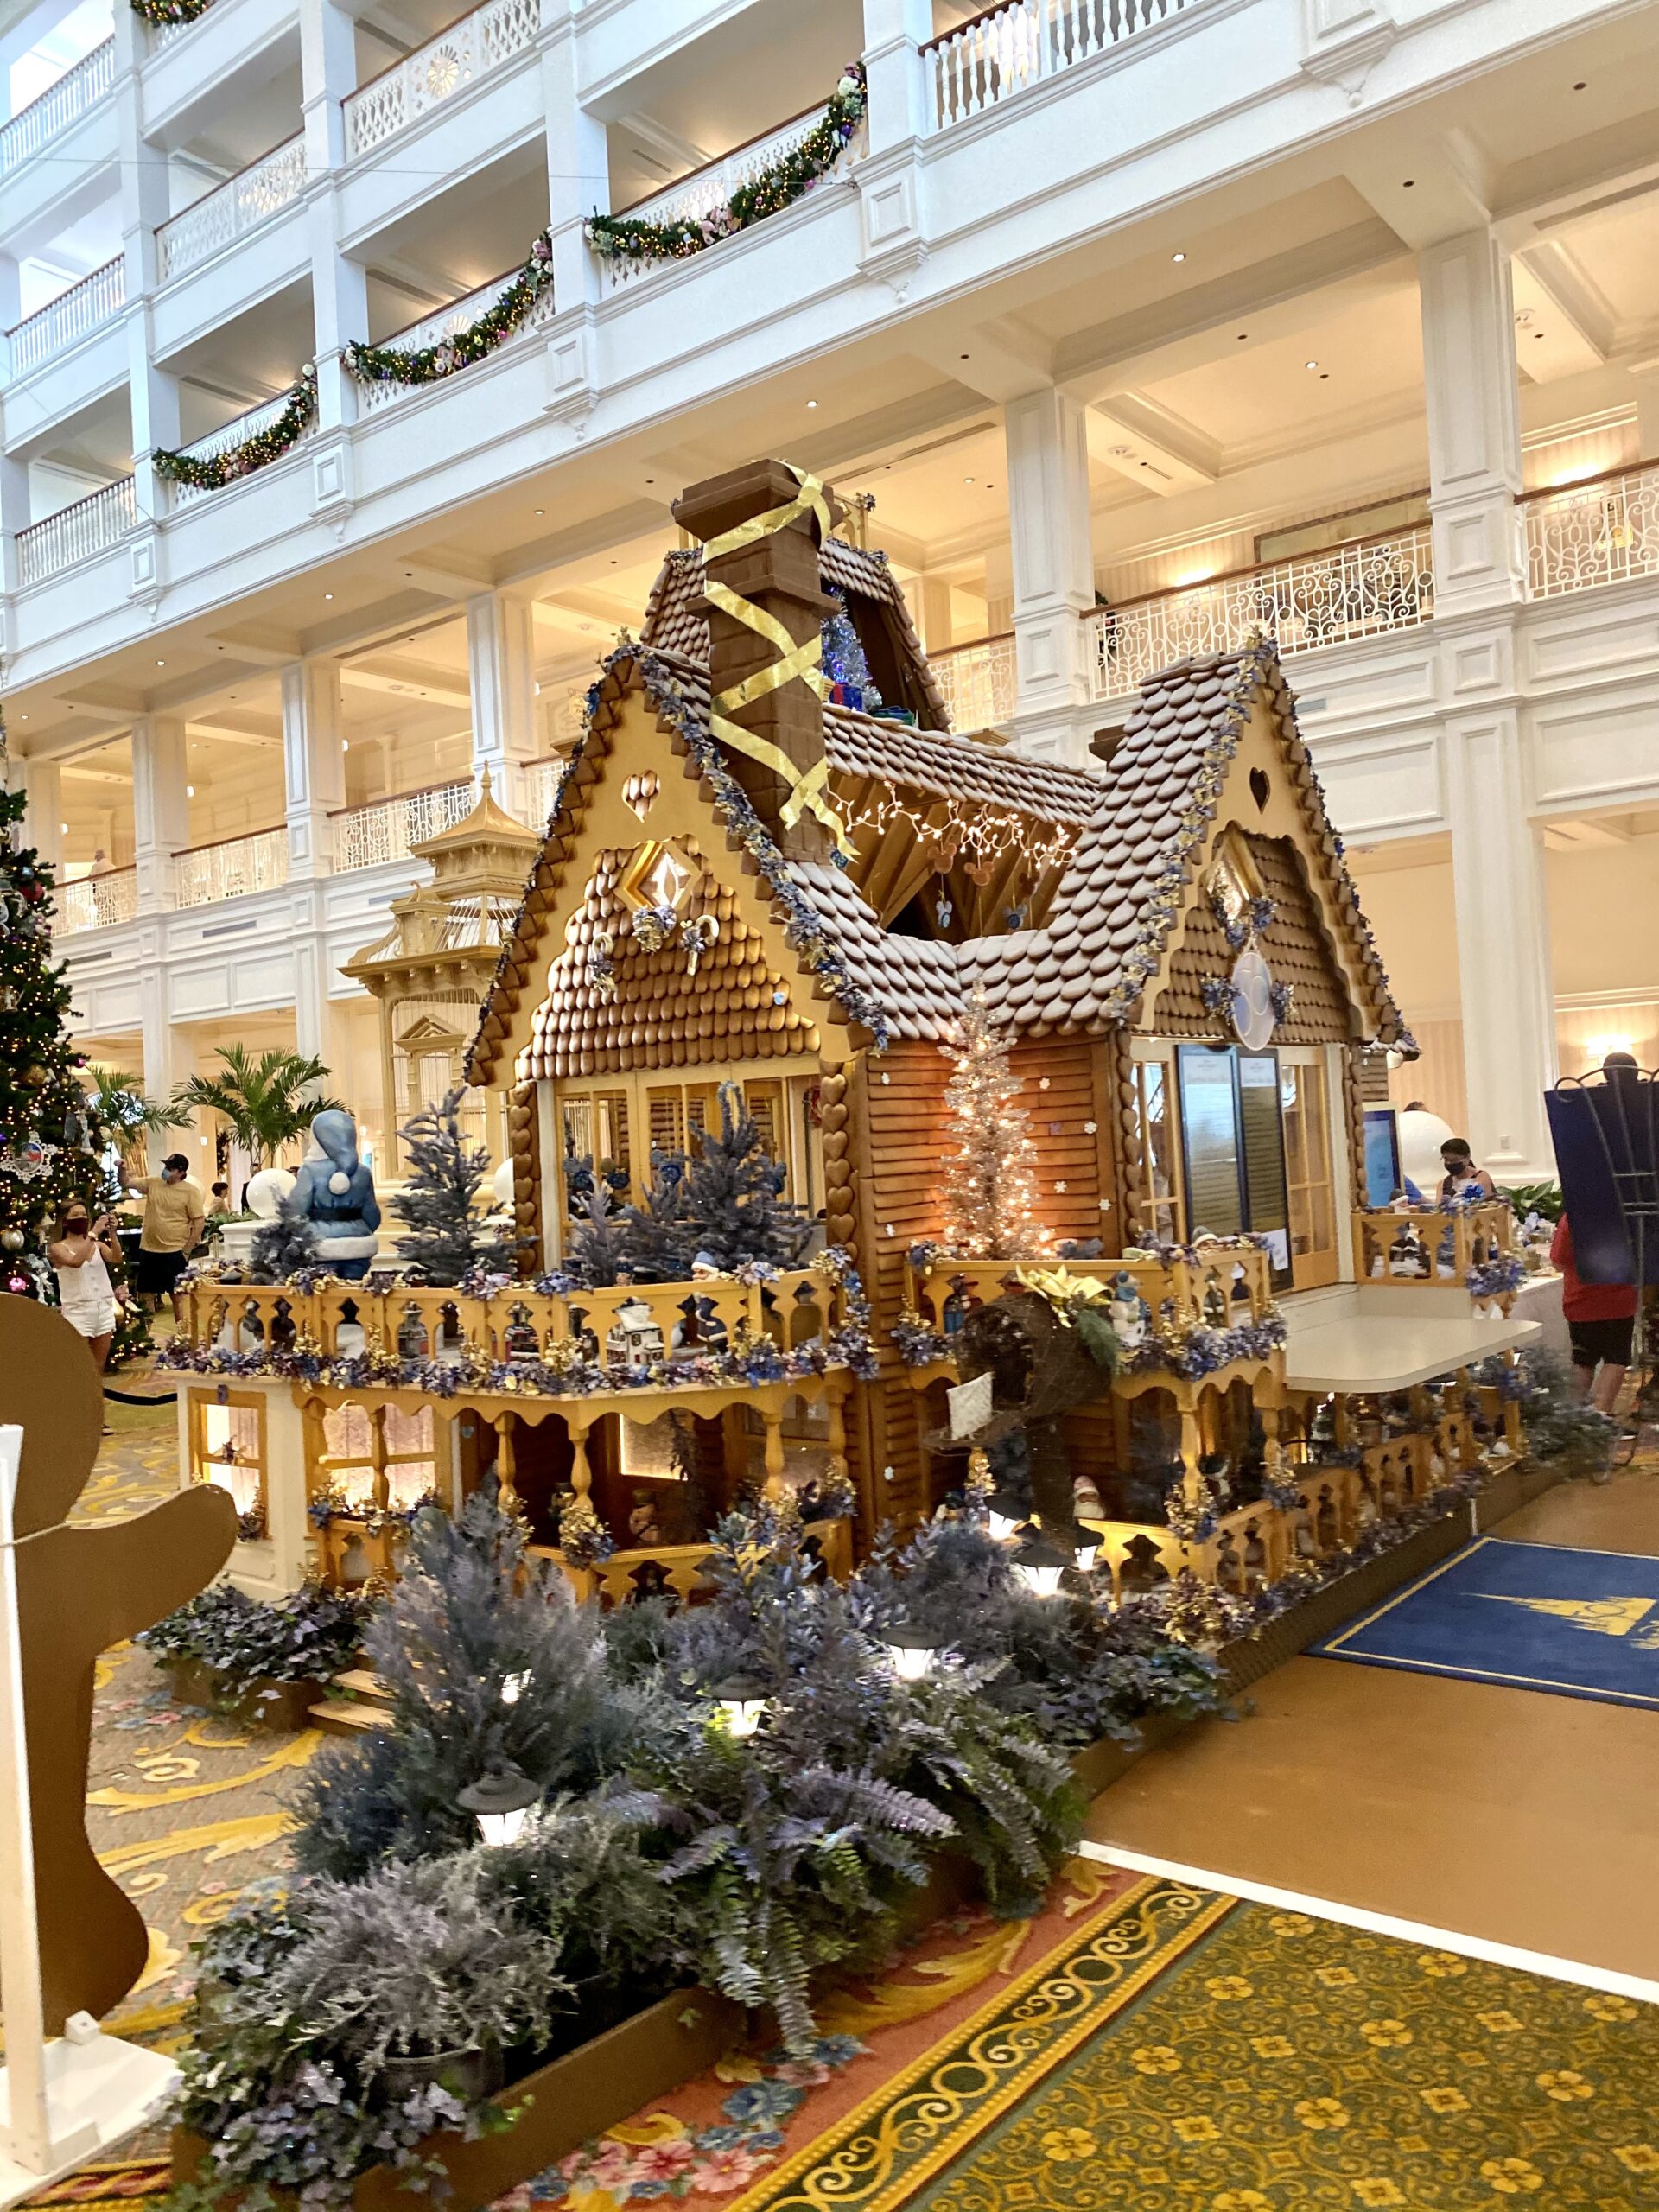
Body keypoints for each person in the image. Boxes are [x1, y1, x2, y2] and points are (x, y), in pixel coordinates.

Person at [1550, 1211, 1635, 1421]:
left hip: (1581, 1299)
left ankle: (1574, 1420)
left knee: (1583, 1360)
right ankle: (1600, 1417)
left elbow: (1558, 1261)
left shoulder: (1573, 1216)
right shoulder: (1626, 1213)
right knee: (1616, 1358)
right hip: (1619, 1298)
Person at [48, 1202, 124, 1386]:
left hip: (103, 1310)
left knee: (98, 1366)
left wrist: (112, 1234)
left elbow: (116, 1258)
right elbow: (75, 1261)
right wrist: (93, 1233)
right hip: (78, 1312)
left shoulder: (97, 1245)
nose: (81, 1219)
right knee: (78, 1364)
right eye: (75, 1215)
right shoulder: (58, 1248)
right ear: (65, 1221)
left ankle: (94, 1406)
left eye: (84, 1214)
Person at [127, 1153, 205, 1327]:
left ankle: (182, 1337)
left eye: (170, 1169)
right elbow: (127, 1182)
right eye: (166, 1167)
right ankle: (145, 1335)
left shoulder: (190, 1192)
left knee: (178, 1295)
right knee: (145, 1293)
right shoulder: (154, 1183)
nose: (166, 1171)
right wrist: (122, 1169)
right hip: (149, 1249)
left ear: (180, 1172)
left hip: (174, 1252)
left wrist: (187, 1249)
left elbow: (199, 1221)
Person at [1439, 1137, 1497, 1202]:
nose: (1449, 1163)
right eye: (1446, 1159)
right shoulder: (1444, 1183)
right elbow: (1437, 1208)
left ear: (1467, 1157)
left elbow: (1483, 1204)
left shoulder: (1481, 1177)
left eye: (1453, 1160)